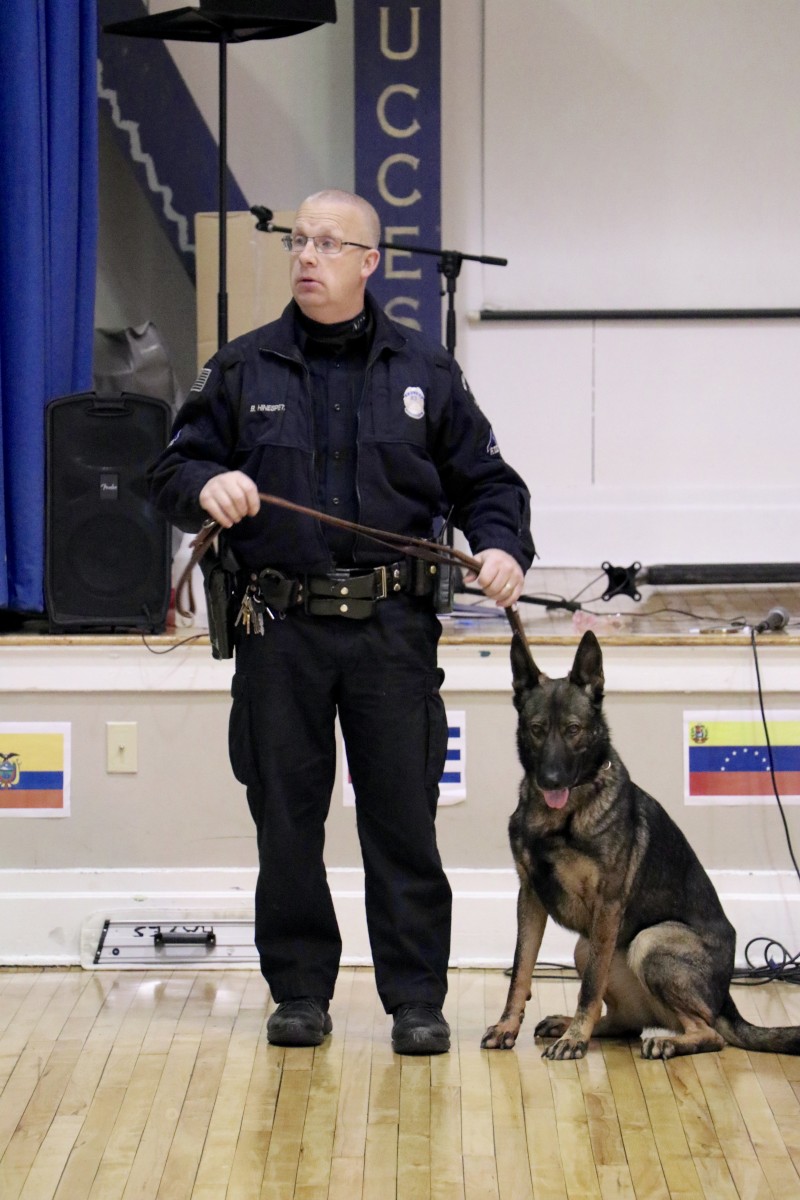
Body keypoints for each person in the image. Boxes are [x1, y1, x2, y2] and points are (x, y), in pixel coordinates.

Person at [148, 189, 534, 1055]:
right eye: (299, 240)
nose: (306, 256)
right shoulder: (242, 370)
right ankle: (299, 991)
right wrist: (204, 486)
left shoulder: (424, 372)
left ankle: (415, 999)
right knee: (285, 819)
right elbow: (172, 469)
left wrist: (503, 547)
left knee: (401, 818)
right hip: (278, 629)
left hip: (391, 634)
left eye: (329, 242)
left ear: (371, 261)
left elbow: (490, 485)